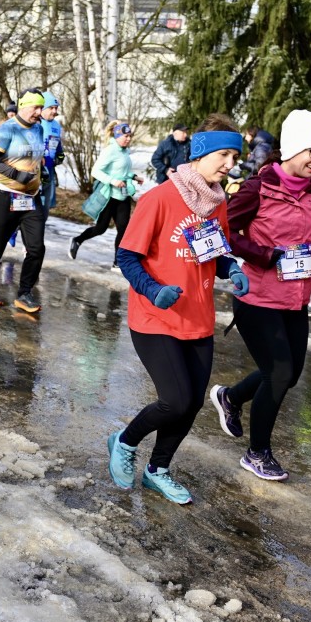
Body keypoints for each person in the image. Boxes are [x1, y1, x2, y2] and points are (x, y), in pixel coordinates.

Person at [107, 115, 249, 503]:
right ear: (201, 153)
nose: (229, 164)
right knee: (176, 400)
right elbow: (128, 257)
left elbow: (212, 249)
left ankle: (158, 470)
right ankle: (124, 441)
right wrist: (153, 290)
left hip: (197, 318)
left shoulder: (216, 202)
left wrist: (230, 268)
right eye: (223, 155)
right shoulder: (159, 198)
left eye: (235, 157)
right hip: (155, 317)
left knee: (192, 403)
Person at [209, 110, 311, 481]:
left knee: (288, 375)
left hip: (296, 297)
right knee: (279, 373)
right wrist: (266, 254)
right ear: (292, 149)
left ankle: (231, 397)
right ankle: (257, 453)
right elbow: (226, 231)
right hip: (257, 296)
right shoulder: (258, 187)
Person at [0, 89, 48, 312]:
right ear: (24, 106)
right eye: (36, 107)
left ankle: (25, 293)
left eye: (41, 107)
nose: (39, 112)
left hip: (31, 198)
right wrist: (17, 175)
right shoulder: (8, 129)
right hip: (6, 195)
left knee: (36, 249)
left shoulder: (38, 128)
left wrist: (41, 171)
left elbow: (34, 157)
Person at [70, 121, 144, 264]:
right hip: (109, 196)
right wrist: (113, 181)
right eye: (125, 136)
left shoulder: (125, 151)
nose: (128, 139)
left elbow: (123, 171)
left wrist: (134, 177)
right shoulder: (110, 151)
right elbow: (96, 171)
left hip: (123, 196)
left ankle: (117, 262)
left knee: (124, 230)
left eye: (130, 136)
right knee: (100, 228)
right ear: (117, 136)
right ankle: (77, 240)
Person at [39, 91, 65, 216]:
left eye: (56, 108)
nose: (54, 111)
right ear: (42, 108)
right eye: (51, 108)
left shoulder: (56, 125)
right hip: (34, 170)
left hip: (49, 170)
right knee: (26, 206)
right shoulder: (36, 122)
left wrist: (60, 154)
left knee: (44, 209)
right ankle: (12, 234)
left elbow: (57, 142)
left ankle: (38, 232)